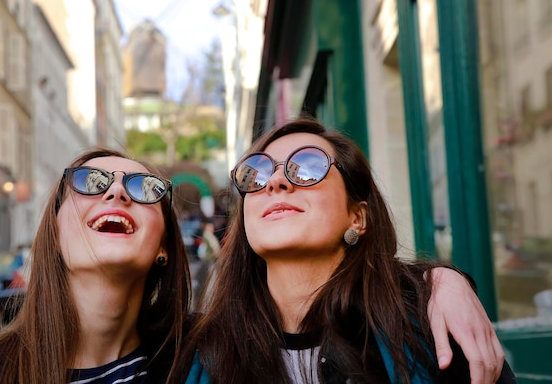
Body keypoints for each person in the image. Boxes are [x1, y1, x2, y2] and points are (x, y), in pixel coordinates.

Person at [173, 117, 514, 384]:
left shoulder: (428, 326)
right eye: (257, 174)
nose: (275, 182)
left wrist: (440, 282)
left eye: (307, 167)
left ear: (357, 217)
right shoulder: (202, 352)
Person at [0, 147, 191, 384]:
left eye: (145, 189)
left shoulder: (204, 360)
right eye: (89, 181)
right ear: (55, 234)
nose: (117, 192)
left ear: (164, 246)